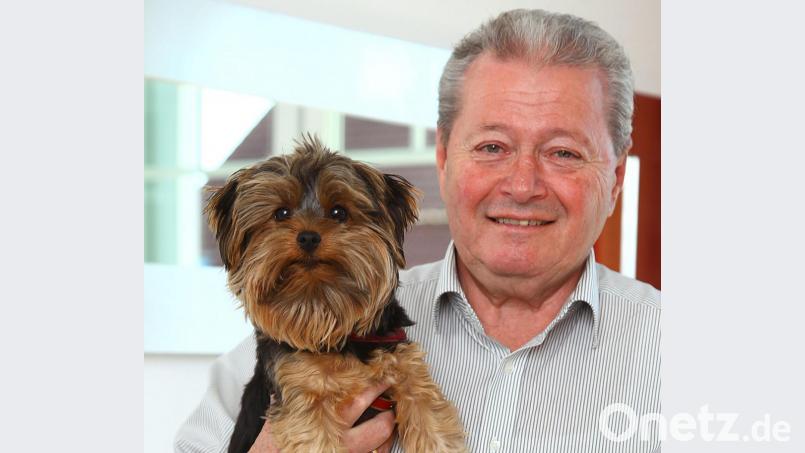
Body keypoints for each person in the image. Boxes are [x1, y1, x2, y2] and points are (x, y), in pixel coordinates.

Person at [175, 9, 660, 453]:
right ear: (445, 159)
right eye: (493, 147)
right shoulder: (288, 334)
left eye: (564, 153)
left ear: (616, 178)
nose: (522, 184)